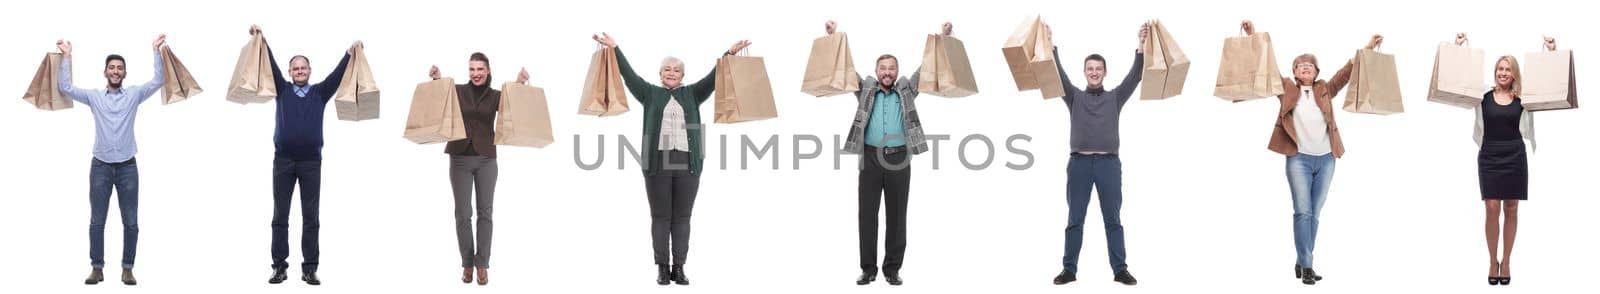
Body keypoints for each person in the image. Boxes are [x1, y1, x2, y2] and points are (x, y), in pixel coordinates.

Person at [591, 32, 749, 286]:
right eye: (667, 69)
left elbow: (715, 77)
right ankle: (662, 267)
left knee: (683, 217)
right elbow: (628, 75)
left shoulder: (693, 94)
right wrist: (615, 47)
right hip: (658, 163)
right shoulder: (649, 94)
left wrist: (729, 54)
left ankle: (680, 267)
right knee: (661, 216)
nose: (672, 73)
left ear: (682, 76)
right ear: (660, 74)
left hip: (688, 163)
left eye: (676, 70)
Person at [1240, 20, 1381, 285]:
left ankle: (1302, 260)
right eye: (1300, 64)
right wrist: (1252, 34)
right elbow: (1267, 65)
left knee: (1315, 213)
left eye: (1310, 64)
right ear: (1294, 71)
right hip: (1298, 159)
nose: (1306, 66)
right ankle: (1307, 266)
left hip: (1327, 158)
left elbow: (1346, 71)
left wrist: (1368, 47)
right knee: (1302, 212)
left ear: (1316, 71)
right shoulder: (1285, 88)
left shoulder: (1325, 88)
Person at [817, 20, 949, 286]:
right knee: (867, 214)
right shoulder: (865, 88)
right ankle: (868, 269)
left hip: (900, 158)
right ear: (876, 71)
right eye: (883, 68)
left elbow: (926, 69)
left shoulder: (907, 89)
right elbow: (845, 70)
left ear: (897, 71)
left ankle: (892, 269)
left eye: (891, 68)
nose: (887, 72)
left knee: (897, 215)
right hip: (870, 158)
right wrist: (832, 37)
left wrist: (944, 38)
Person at [250, 25, 361, 286]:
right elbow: (271, 65)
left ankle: (309, 268)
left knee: (311, 217)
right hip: (284, 162)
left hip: (311, 163)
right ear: (290, 73)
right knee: (280, 216)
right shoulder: (282, 90)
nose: (299, 71)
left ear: (309, 71)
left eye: (303, 68)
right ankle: (279, 266)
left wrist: (349, 52)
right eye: (295, 68)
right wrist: (262, 40)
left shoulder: (320, 93)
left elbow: (337, 75)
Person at [56, 34, 168, 286]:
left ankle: (127, 268)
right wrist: (66, 56)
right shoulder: (95, 97)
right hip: (101, 167)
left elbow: (159, 80)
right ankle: (97, 268)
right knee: (97, 221)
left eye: (119, 68)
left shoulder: (135, 94)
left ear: (124, 73)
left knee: (131, 221)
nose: (115, 71)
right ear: (105, 72)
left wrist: (155, 50)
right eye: (112, 68)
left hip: (128, 167)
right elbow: (66, 89)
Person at [1044, 22, 1147, 286]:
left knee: (1113, 219)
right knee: (1074, 219)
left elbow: (1135, 77)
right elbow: (1057, 75)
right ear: (1085, 72)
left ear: (1104, 72)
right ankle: (1069, 270)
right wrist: (1050, 43)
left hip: (1108, 165)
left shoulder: (1115, 98)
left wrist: (1141, 45)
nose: (1094, 72)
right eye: (1090, 68)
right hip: (1078, 164)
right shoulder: (1074, 97)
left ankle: (1120, 269)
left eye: (1098, 69)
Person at [427, 53, 531, 286]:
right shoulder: (459, 91)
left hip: (486, 159)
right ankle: (467, 264)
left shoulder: (495, 96)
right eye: (472, 69)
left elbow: (513, 104)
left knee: (485, 213)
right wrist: (437, 78)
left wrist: (520, 83)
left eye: (479, 69)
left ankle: (482, 264)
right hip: (460, 159)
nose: (475, 73)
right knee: (462, 214)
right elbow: (442, 98)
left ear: (488, 70)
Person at [1477, 35, 1552, 286]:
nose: (1503, 72)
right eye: (1500, 68)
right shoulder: (1482, 97)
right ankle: (1491, 260)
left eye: (1508, 69)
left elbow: (1548, 83)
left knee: (1511, 208)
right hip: (1489, 155)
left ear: (1514, 73)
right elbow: (1458, 81)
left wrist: (1550, 53)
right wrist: (1457, 47)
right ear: (1495, 72)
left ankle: (1506, 261)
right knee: (1491, 209)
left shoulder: (1523, 99)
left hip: (1514, 156)